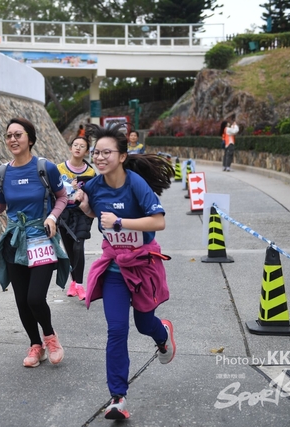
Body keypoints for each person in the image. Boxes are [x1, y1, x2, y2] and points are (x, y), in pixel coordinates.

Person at [75, 124, 177, 420]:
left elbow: (158, 222)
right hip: (115, 269)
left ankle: (163, 333)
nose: (100, 157)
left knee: (144, 324)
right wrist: (83, 203)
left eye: (106, 152)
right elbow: (93, 210)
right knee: (117, 330)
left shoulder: (135, 184)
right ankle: (117, 398)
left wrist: (120, 222)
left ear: (122, 156)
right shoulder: (94, 185)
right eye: (96, 153)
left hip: (143, 265)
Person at [0, 117, 69, 368]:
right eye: (9, 135)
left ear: (30, 139)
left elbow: (63, 197)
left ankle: (50, 337)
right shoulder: (2, 172)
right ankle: (35, 346)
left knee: (35, 298)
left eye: (18, 135)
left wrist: (52, 217)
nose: (13, 139)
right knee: (21, 300)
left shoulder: (45, 168)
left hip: (41, 239)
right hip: (14, 241)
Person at [56, 135, 96, 301]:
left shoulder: (90, 172)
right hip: (64, 213)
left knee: (78, 246)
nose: (78, 148)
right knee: (70, 249)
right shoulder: (59, 169)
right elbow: (53, 190)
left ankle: (79, 284)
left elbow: (94, 193)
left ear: (86, 151)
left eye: (82, 146)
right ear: (70, 148)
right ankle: (74, 282)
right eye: (75, 145)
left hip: (81, 214)